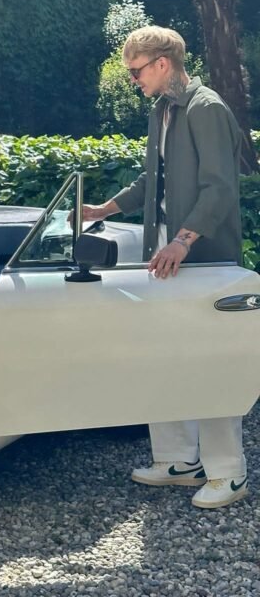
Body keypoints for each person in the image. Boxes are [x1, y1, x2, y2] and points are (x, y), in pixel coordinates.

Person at [80, 26, 247, 510]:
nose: (133, 79)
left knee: (211, 362)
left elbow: (220, 188)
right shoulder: (163, 110)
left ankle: (229, 473)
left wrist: (182, 240)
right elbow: (151, 178)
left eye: (136, 71)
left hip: (205, 259)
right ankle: (178, 461)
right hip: (169, 258)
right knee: (166, 355)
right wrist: (103, 209)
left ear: (162, 63)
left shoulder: (206, 108)